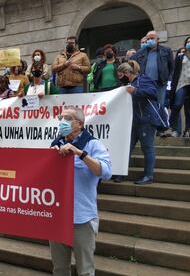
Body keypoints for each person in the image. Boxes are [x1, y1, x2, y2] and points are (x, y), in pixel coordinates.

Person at [50, 107, 111, 276]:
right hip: (58, 216)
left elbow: (105, 172)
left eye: (67, 118)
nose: (62, 121)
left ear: (80, 124)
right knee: (60, 269)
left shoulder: (93, 144)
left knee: (85, 271)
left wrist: (80, 154)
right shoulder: (56, 144)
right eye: (61, 117)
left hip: (82, 218)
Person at [114, 62, 159, 184]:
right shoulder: (129, 84)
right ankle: (121, 173)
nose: (120, 78)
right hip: (133, 121)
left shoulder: (143, 79)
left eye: (120, 75)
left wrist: (135, 90)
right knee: (126, 148)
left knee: (147, 148)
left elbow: (153, 92)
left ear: (127, 73)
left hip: (146, 119)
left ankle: (148, 176)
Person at [131, 31, 174, 107]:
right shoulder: (141, 52)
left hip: (161, 83)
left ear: (158, 39)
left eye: (152, 38)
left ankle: (161, 118)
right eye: (148, 39)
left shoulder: (166, 50)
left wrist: (168, 79)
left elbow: (172, 67)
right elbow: (132, 62)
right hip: (146, 84)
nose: (150, 40)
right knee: (148, 105)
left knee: (160, 105)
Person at [168, 37, 190, 137]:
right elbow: (175, 72)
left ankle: (187, 130)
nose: (189, 43)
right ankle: (172, 127)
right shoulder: (181, 56)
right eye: (188, 42)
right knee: (177, 105)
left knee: (188, 109)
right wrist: (173, 85)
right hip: (182, 84)